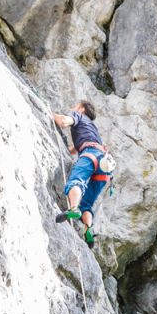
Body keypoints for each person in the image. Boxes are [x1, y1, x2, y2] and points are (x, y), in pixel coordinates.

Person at [51, 99, 113, 247]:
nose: (72, 108)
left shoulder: (79, 116)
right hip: (105, 165)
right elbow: (77, 148)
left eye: (75, 106)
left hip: (90, 155)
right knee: (86, 204)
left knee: (76, 181)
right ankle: (88, 229)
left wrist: (51, 114)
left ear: (81, 109)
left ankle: (73, 209)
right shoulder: (92, 129)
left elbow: (65, 122)